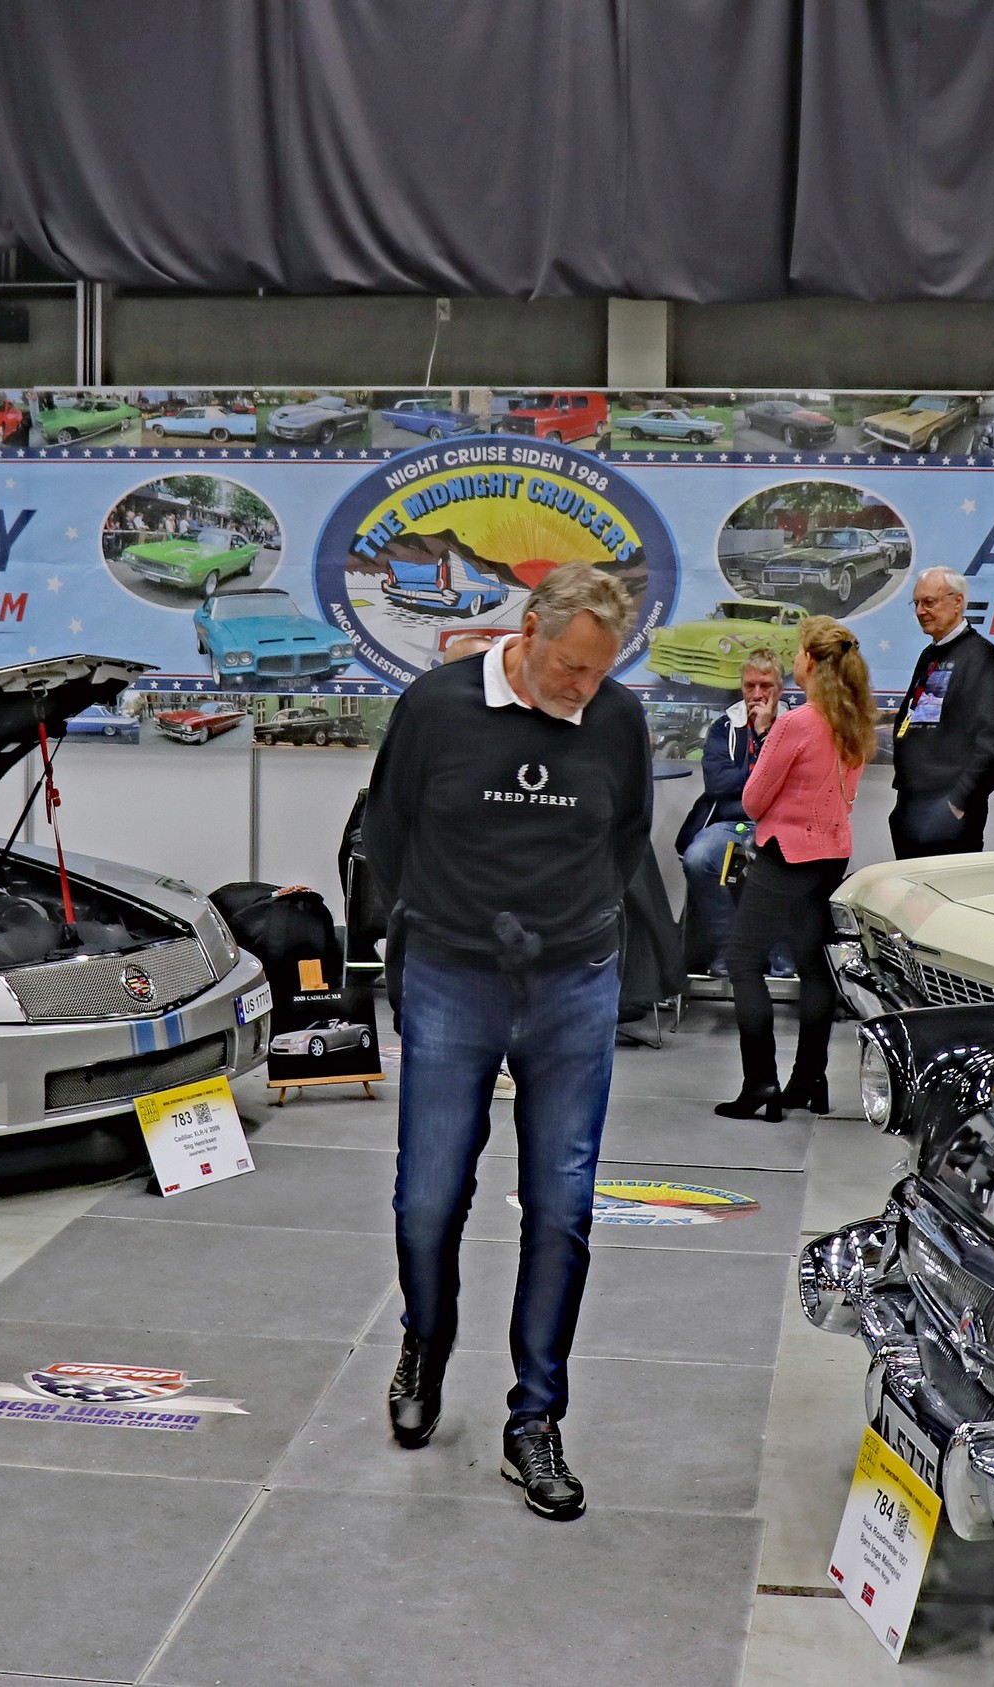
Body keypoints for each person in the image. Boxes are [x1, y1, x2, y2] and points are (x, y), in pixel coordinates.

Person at [363, 564, 651, 1523]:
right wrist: (454, 923)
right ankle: (426, 1341)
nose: (583, 688)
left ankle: (535, 1421)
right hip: (455, 977)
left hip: (573, 983)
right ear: (529, 631)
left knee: (562, 1206)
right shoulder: (436, 708)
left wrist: (568, 926)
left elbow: (626, 841)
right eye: (570, 667)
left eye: (600, 672)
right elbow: (390, 835)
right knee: (428, 1197)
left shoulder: (616, 720)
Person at [715, 617, 869, 1122]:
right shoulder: (854, 719)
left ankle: (760, 1081)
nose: (795, 659)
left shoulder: (796, 723)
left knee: (743, 961)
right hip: (831, 855)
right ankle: (808, 1080)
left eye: (799, 651)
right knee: (813, 966)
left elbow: (753, 800)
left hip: (785, 855)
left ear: (811, 661)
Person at [889, 568, 994, 859]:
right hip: (911, 807)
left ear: (957, 602)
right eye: (917, 603)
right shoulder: (930, 654)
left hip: (947, 818)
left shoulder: (981, 657)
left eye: (929, 602)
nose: (920, 611)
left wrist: (957, 802)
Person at [676, 649, 782, 976]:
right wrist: (762, 776)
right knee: (698, 859)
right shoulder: (725, 726)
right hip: (732, 823)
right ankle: (730, 949)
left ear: (779, 688)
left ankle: (781, 960)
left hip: (780, 824)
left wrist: (762, 736)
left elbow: (792, 785)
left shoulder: (794, 725)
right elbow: (718, 784)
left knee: (793, 865)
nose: (757, 694)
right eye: (750, 686)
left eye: (765, 685)